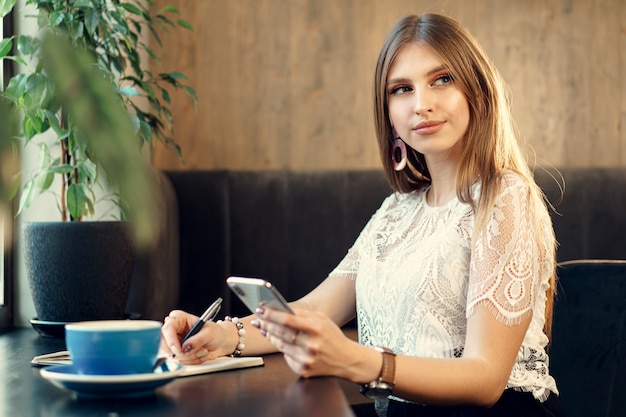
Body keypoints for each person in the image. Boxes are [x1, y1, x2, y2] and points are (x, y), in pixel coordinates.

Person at [161, 13, 566, 417]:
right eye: (402, 89)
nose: (422, 104)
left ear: (477, 91)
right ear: (388, 114)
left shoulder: (505, 197)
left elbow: (485, 379)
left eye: (442, 79)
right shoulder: (397, 210)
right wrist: (219, 335)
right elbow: (316, 309)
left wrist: (354, 359)